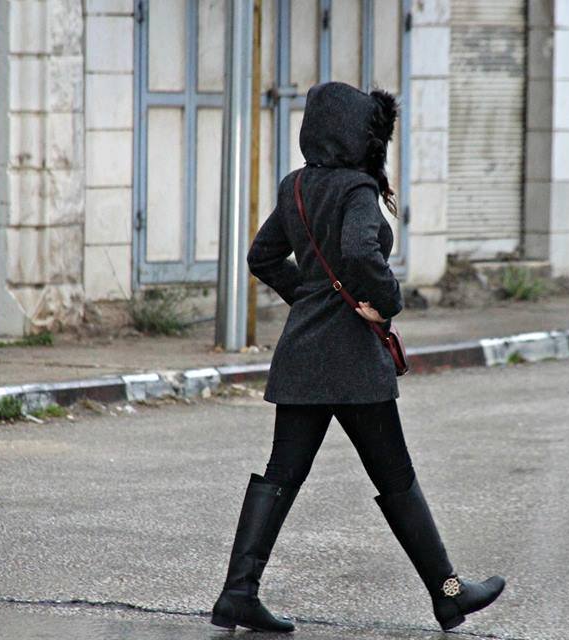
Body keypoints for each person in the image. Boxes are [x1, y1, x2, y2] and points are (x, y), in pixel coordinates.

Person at [210, 81, 505, 633]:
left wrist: (308, 297)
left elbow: (262, 257)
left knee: (281, 474)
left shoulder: (296, 186)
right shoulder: (358, 190)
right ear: (359, 135)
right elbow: (359, 251)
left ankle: (238, 593)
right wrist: (385, 303)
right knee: (396, 478)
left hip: (303, 357)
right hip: (353, 362)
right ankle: (449, 595)